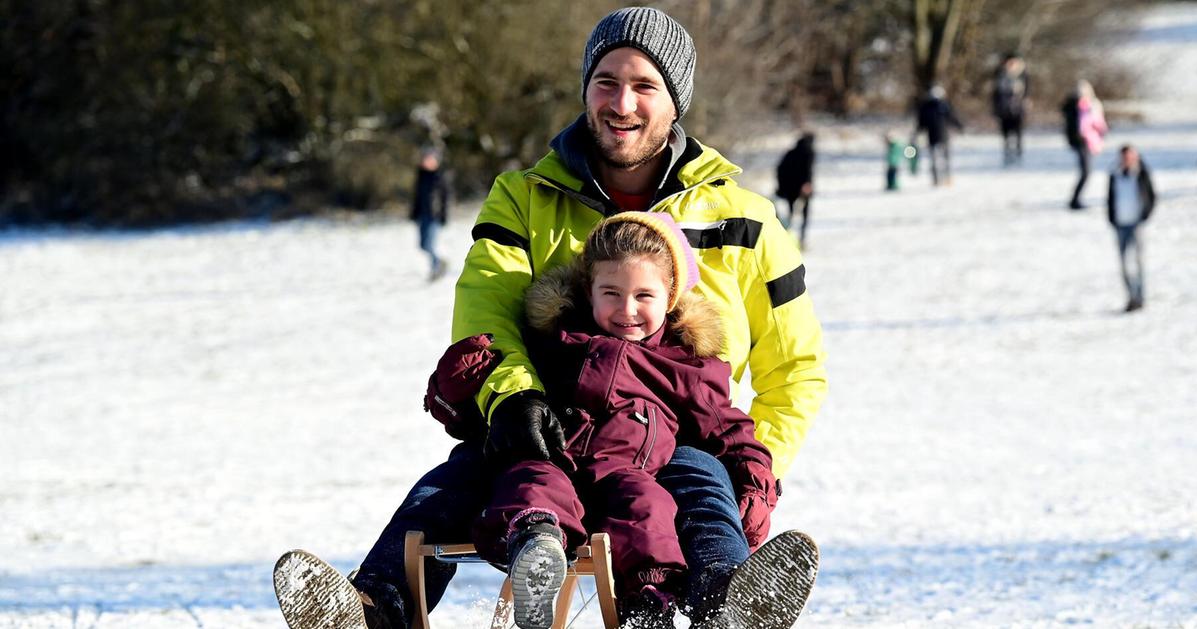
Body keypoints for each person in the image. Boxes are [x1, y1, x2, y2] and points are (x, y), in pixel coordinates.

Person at [272, 7, 827, 629]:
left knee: (701, 488)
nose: (623, 103)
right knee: (449, 483)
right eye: (607, 81)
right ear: (585, 89)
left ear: (677, 101)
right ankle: (374, 607)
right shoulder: (523, 197)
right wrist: (513, 401)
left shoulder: (746, 222)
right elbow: (485, 314)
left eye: (646, 86)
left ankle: (727, 604)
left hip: (676, 444)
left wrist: (753, 473)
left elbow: (796, 370)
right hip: (547, 428)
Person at [462, 212, 778, 628]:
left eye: (644, 296)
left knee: (648, 506)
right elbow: (490, 393)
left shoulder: (684, 366)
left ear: (671, 296)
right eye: (611, 292)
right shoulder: (557, 342)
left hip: (629, 472)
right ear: (587, 292)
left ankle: (662, 603)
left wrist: (755, 489)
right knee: (534, 481)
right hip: (558, 460)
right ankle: (538, 556)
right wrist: (465, 386)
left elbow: (732, 431)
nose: (626, 310)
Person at [1107, 145, 1156, 313]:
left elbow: (1151, 196)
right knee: (1124, 264)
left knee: (1137, 262)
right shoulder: (1115, 175)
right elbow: (1110, 198)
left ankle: (1140, 297)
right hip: (1120, 224)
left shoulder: (1142, 174)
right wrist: (1112, 219)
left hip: (1136, 223)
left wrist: (1144, 215)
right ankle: (1131, 297)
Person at [1062, 80, 1108, 210]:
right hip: (1080, 142)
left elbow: (1098, 122)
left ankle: (1076, 199)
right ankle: (1075, 200)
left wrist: (1101, 133)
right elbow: (1072, 125)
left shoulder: (1093, 105)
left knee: (1086, 172)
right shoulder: (1072, 107)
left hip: (1090, 141)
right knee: (1085, 172)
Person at [411, 148, 449, 280]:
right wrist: (414, 212)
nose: (426, 161)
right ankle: (440, 262)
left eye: (430, 159)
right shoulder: (421, 176)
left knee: (429, 245)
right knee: (422, 245)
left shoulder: (440, 177)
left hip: (435, 216)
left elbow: (445, 198)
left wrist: (444, 215)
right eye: (425, 158)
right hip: (422, 215)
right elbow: (417, 197)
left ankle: (436, 269)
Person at [915, 85, 964, 186]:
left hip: (934, 136)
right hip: (942, 136)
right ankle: (945, 178)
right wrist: (959, 126)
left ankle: (937, 180)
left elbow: (921, 123)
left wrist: (918, 132)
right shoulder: (942, 105)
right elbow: (952, 118)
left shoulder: (926, 107)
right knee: (944, 159)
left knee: (935, 159)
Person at [775, 133, 815, 246]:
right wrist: (807, 184)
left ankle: (789, 239)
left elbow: (779, 169)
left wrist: (781, 186)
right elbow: (808, 169)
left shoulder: (790, 153)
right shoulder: (809, 152)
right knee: (804, 214)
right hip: (803, 188)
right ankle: (800, 239)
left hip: (789, 189)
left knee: (791, 214)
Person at [992, 53, 1029, 166]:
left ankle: (1018, 154)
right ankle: (1007, 154)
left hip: (1018, 108)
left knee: (1018, 132)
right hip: (1004, 109)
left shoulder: (1023, 74)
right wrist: (996, 107)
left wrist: (1025, 102)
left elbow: (1028, 91)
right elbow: (995, 93)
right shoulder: (1000, 75)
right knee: (1006, 133)